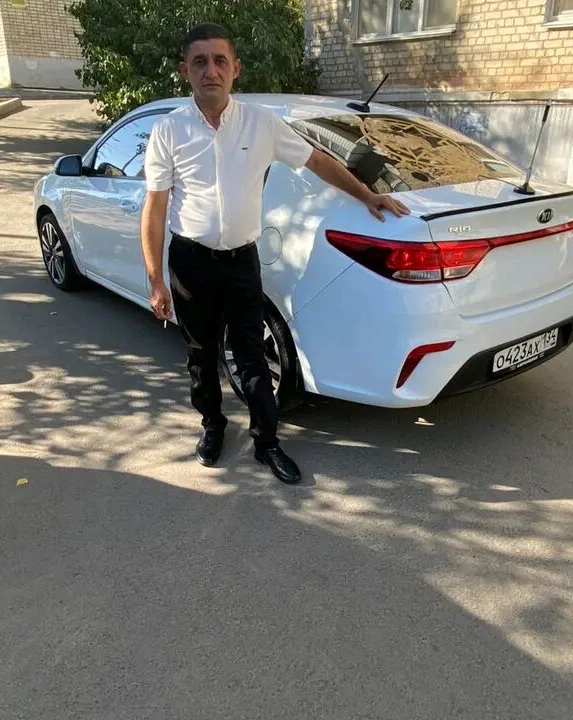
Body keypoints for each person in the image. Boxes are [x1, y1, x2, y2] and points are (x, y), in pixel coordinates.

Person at [141, 23, 408, 485]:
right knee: (200, 355)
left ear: (236, 68)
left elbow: (317, 160)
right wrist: (155, 279)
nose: (210, 70)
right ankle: (212, 425)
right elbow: (155, 207)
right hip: (190, 263)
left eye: (220, 60)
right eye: (200, 62)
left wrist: (367, 195)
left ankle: (266, 442)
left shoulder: (261, 124)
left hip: (241, 262)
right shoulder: (169, 131)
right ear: (185, 70)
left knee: (251, 356)